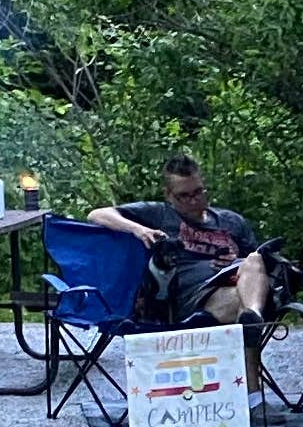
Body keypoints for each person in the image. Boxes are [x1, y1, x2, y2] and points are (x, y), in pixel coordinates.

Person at [90, 150, 276, 355]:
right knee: (244, 310)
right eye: (184, 196)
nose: (193, 200)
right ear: (168, 195)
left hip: (237, 285)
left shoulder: (232, 221)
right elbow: (97, 214)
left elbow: (258, 265)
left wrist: (235, 260)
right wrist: (139, 229)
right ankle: (252, 325)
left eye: (198, 192)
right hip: (195, 300)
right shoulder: (160, 214)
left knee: (254, 261)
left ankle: (253, 315)